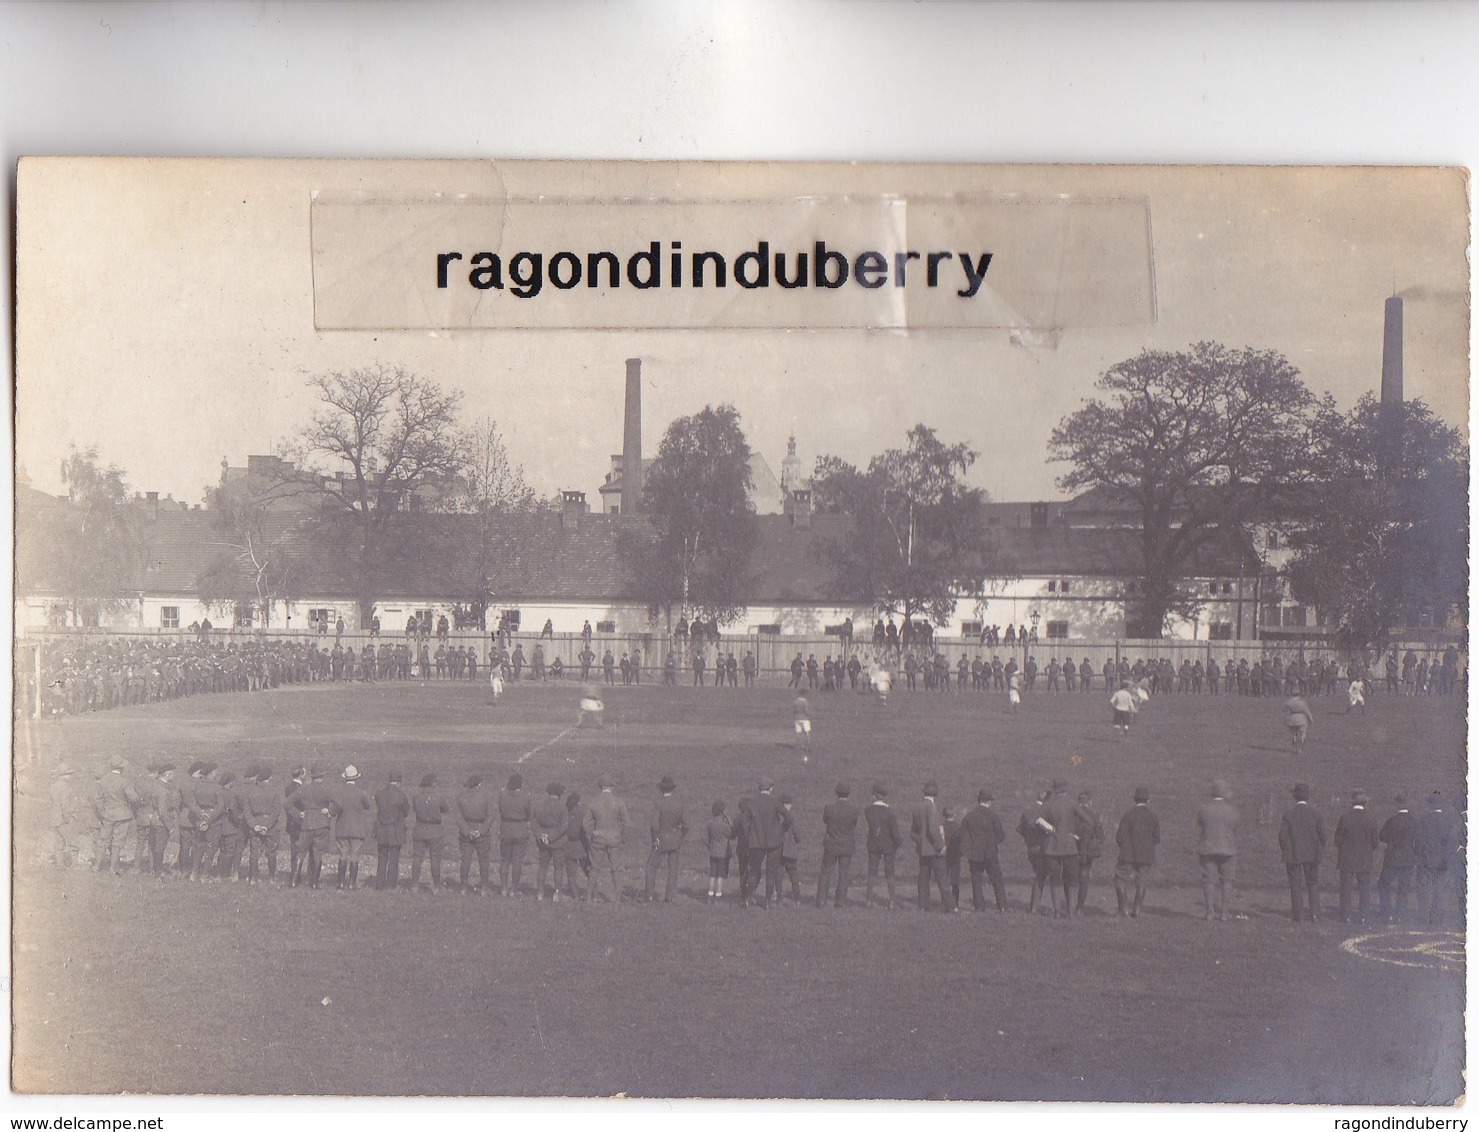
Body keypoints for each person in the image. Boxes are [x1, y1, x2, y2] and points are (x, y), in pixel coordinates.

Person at [1278, 782, 1327, 922]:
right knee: (1312, 883)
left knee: (1295, 884)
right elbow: (1323, 835)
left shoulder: (1288, 815)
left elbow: (1282, 836)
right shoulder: (1316, 814)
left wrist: (1287, 849)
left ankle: (1298, 915)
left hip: (1293, 853)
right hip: (1312, 854)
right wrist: (1318, 848)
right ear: (1307, 797)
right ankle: (1315, 914)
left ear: (1295, 797)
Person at [1195, 778, 1240, 921]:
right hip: (1227, 849)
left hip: (1207, 848)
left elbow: (1200, 824)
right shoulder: (1232, 810)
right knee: (1227, 880)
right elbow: (1235, 828)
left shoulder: (1204, 809)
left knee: (1209, 880)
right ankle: (1224, 912)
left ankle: (1209, 912)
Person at [1334, 789, 1380, 924]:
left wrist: (1344, 849)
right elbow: (1375, 842)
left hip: (1346, 858)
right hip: (1364, 859)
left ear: (1352, 802)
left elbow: (1337, 840)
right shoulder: (1371, 818)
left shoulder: (1345, 817)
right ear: (1364, 802)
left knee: (1345, 888)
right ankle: (1364, 916)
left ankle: (1345, 916)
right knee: (1364, 888)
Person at [1114, 786, 1160, 917]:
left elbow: (1120, 837)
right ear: (1148, 800)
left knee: (1120, 878)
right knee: (1142, 880)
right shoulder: (1153, 817)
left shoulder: (1128, 815)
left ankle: (1124, 909)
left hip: (1127, 853)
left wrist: (1124, 846)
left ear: (1135, 800)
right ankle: (1137, 909)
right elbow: (1157, 838)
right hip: (1146, 854)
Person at [959, 789, 1008, 912]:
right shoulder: (993, 816)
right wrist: (992, 844)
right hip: (990, 853)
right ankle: (1002, 906)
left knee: (976, 880)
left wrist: (969, 849)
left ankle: (979, 907)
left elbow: (962, 836)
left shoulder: (969, 816)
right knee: (997, 879)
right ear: (989, 802)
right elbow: (1001, 835)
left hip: (974, 853)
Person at [740, 776, 785, 908]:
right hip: (773, 842)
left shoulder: (751, 802)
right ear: (770, 788)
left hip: (756, 842)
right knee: (771, 871)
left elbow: (745, 825)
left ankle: (747, 899)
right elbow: (788, 816)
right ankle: (767, 901)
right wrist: (780, 830)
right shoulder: (775, 802)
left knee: (754, 870)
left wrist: (749, 838)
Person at [910, 780, 954, 912]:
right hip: (934, 850)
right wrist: (940, 846)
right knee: (942, 878)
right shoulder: (932, 807)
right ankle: (950, 906)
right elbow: (933, 830)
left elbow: (912, 832)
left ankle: (923, 905)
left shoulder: (917, 807)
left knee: (923, 878)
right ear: (935, 795)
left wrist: (920, 841)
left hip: (922, 850)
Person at [1415, 791, 1457, 925]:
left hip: (1426, 860)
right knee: (1439, 891)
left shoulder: (1423, 820)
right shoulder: (1448, 821)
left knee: (1423, 890)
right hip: (1442, 861)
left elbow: (1419, 842)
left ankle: (1423, 917)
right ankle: (1435, 918)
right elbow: (1451, 843)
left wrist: (1421, 855)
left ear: (1430, 804)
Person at [92, 755, 139, 875]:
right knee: (117, 842)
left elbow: (97, 798)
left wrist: (102, 811)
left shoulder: (103, 780)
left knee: (104, 840)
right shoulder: (124, 781)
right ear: (122, 768)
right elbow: (134, 798)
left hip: (107, 814)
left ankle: (96, 866)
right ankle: (112, 869)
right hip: (122, 815)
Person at [816, 781, 860, 908]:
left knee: (825, 871)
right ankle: (840, 901)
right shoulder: (853, 810)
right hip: (846, 844)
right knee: (844, 873)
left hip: (832, 843)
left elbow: (825, 820)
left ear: (836, 793)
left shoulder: (829, 808)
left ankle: (821, 900)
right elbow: (853, 824)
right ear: (848, 794)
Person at [586, 775, 630, 902]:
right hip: (615, 839)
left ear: (600, 788)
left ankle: (588, 897)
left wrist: (591, 836)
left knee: (594, 868)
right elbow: (626, 823)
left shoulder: (594, 801)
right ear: (611, 787)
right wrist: (622, 838)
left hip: (598, 838)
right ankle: (617, 898)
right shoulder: (618, 802)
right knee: (616, 868)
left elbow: (585, 824)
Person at [644, 775, 687, 903]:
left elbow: (653, 825)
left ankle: (649, 896)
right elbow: (687, 825)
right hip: (675, 840)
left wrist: (654, 839)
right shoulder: (679, 803)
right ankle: (670, 896)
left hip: (661, 840)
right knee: (673, 869)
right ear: (672, 789)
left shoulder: (659, 803)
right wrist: (680, 836)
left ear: (661, 789)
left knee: (650, 867)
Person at [1377, 793, 1417, 923]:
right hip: (1408, 859)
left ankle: (1386, 913)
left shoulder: (1391, 821)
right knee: (1403, 887)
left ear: (1397, 804)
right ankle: (1400, 915)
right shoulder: (1413, 821)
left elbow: (1382, 836)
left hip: (1392, 859)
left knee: (1384, 884)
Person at [864, 782, 902, 909]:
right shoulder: (889, 812)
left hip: (874, 844)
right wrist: (898, 842)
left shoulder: (868, 811)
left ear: (874, 796)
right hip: (888, 845)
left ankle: (869, 900)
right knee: (890, 872)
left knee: (872, 872)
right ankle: (892, 900)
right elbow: (894, 831)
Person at [454, 774, 494, 895]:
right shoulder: (485, 796)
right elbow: (491, 815)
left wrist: (467, 830)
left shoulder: (462, 796)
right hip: (481, 830)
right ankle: (484, 888)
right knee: (483, 860)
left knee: (465, 859)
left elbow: (458, 816)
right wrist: (481, 830)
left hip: (467, 831)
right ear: (479, 784)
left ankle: (463, 887)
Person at [410, 773, 450, 893]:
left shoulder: (416, 797)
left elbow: (415, 808)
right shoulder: (438, 797)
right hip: (435, 831)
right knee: (435, 859)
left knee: (417, 857)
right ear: (432, 784)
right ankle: (437, 886)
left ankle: (414, 885)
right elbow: (445, 809)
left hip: (420, 829)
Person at [373, 770, 410, 891]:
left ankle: (379, 883)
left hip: (383, 829)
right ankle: (390, 884)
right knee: (394, 858)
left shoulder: (379, 794)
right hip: (396, 831)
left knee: (382, 856)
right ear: (399, 782)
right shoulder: (402, 796)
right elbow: (406, 812)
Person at [532, 782, 568, 901]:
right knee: (558, 868)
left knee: (542, 866)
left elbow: (534, 823)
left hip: (543, 842)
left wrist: (541, 836)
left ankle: (540, 893)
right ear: (559, 794)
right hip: (557, 842)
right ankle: (557, 893)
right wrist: (550, 837)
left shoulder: (539, 805)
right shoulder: (562, 807)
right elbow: (563, 827)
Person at [1018, 789, 1052, 914]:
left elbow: (1021, 829)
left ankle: (1034, 906)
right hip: (1042, 849)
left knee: (1039, 876)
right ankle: (1034, 907)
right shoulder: (1046, 812)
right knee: (1040, 877)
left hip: (1030, 849)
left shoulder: (1027, 811)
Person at [498, 773, 531, 896]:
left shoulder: (503, 795)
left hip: (506, 829)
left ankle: (503, 888)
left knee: (505, 860)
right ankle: (514, 889)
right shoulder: (525, 797)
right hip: (520, 830)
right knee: (517, 861)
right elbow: (528, 813)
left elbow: (501, 810)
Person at [1074, 789, 1106, 914]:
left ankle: (1071, 906)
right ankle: (1079, 908)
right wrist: (1090, 846)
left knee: (1070, 879)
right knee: (1084, 879)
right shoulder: (1094, 816)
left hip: (1071, 851)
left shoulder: (1072, 813)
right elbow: (1101, 836)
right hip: (1086, 854)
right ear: (1090, 802)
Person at [563, 791, 592, 901]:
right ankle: (593, 893)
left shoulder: (566, 814)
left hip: (569, 847)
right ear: (579, 802)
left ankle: (575, 896)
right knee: (588, 870)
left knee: (571, 873)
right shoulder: (583, 814)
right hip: (581, 846)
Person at [705, 800, 735, 904]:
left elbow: (706, 839)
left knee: (712, 875)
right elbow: (732, 835)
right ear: (722, 812)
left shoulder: (709, 824)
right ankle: (718, 897)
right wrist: (730, 822)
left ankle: (709, 896)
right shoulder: (724, 826)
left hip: (713, 852)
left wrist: (710, 846)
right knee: (720, 876)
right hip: (723, 853)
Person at [778, 794, 804, 904]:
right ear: (789, 804)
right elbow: (797, 833)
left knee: (778, 874)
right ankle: (797, 898)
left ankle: (778, 898)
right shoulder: (793, 816)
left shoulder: (778, 816)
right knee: (793, 874)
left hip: (778, 848)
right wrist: (798, 839)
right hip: (790, 849)